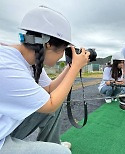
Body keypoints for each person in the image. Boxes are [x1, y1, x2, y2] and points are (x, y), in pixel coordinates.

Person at [0, 6, 90, 154]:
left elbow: (49, 89)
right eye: (63, 50)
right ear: (48, 44)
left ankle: (52, 144)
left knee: (57, 105)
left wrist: (71, 66)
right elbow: (50, 105)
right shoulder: (7, 67)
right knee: (63, 153)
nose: (62, 56)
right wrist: (75, 70)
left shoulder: (31, 59)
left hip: (6, 126)